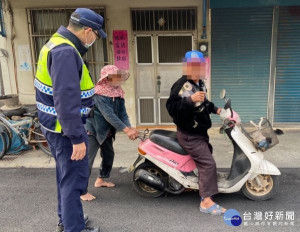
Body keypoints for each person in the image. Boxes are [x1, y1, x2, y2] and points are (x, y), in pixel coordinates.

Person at [34, 8, 106, 232]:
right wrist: (76, 137)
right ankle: (74, 228)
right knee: (74, 182)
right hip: (65, 130)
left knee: (65, 178)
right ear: (87, 31)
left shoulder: (54, 44)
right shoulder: (65, 52)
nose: (94, 39)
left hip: (54, 127)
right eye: (95, 35)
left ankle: (68, 219)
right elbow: (66, 100)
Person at [166, 50, 227, 215]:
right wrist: (189, 100)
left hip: (199, 132)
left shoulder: (199, 83)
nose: (196, 70)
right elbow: (172, 109)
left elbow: (205, 102)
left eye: (199, 66)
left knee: (207, 156)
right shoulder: (181, 85)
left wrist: (218, 110)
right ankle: (206, 202)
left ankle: (198, 184)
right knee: (208, 164)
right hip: (189, 134)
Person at [80, 65, 138, 201]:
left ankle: (101, 179)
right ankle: (81, 191)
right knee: (87, 160)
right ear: (106, 78)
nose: (118, 80)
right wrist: (126, 130)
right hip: (93, 129)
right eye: (114, 77)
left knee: (108, 154)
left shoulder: (118, 93)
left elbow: (122, 114)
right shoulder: (98, 93)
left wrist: (129, 127)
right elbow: (109, 116)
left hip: (106, 130)